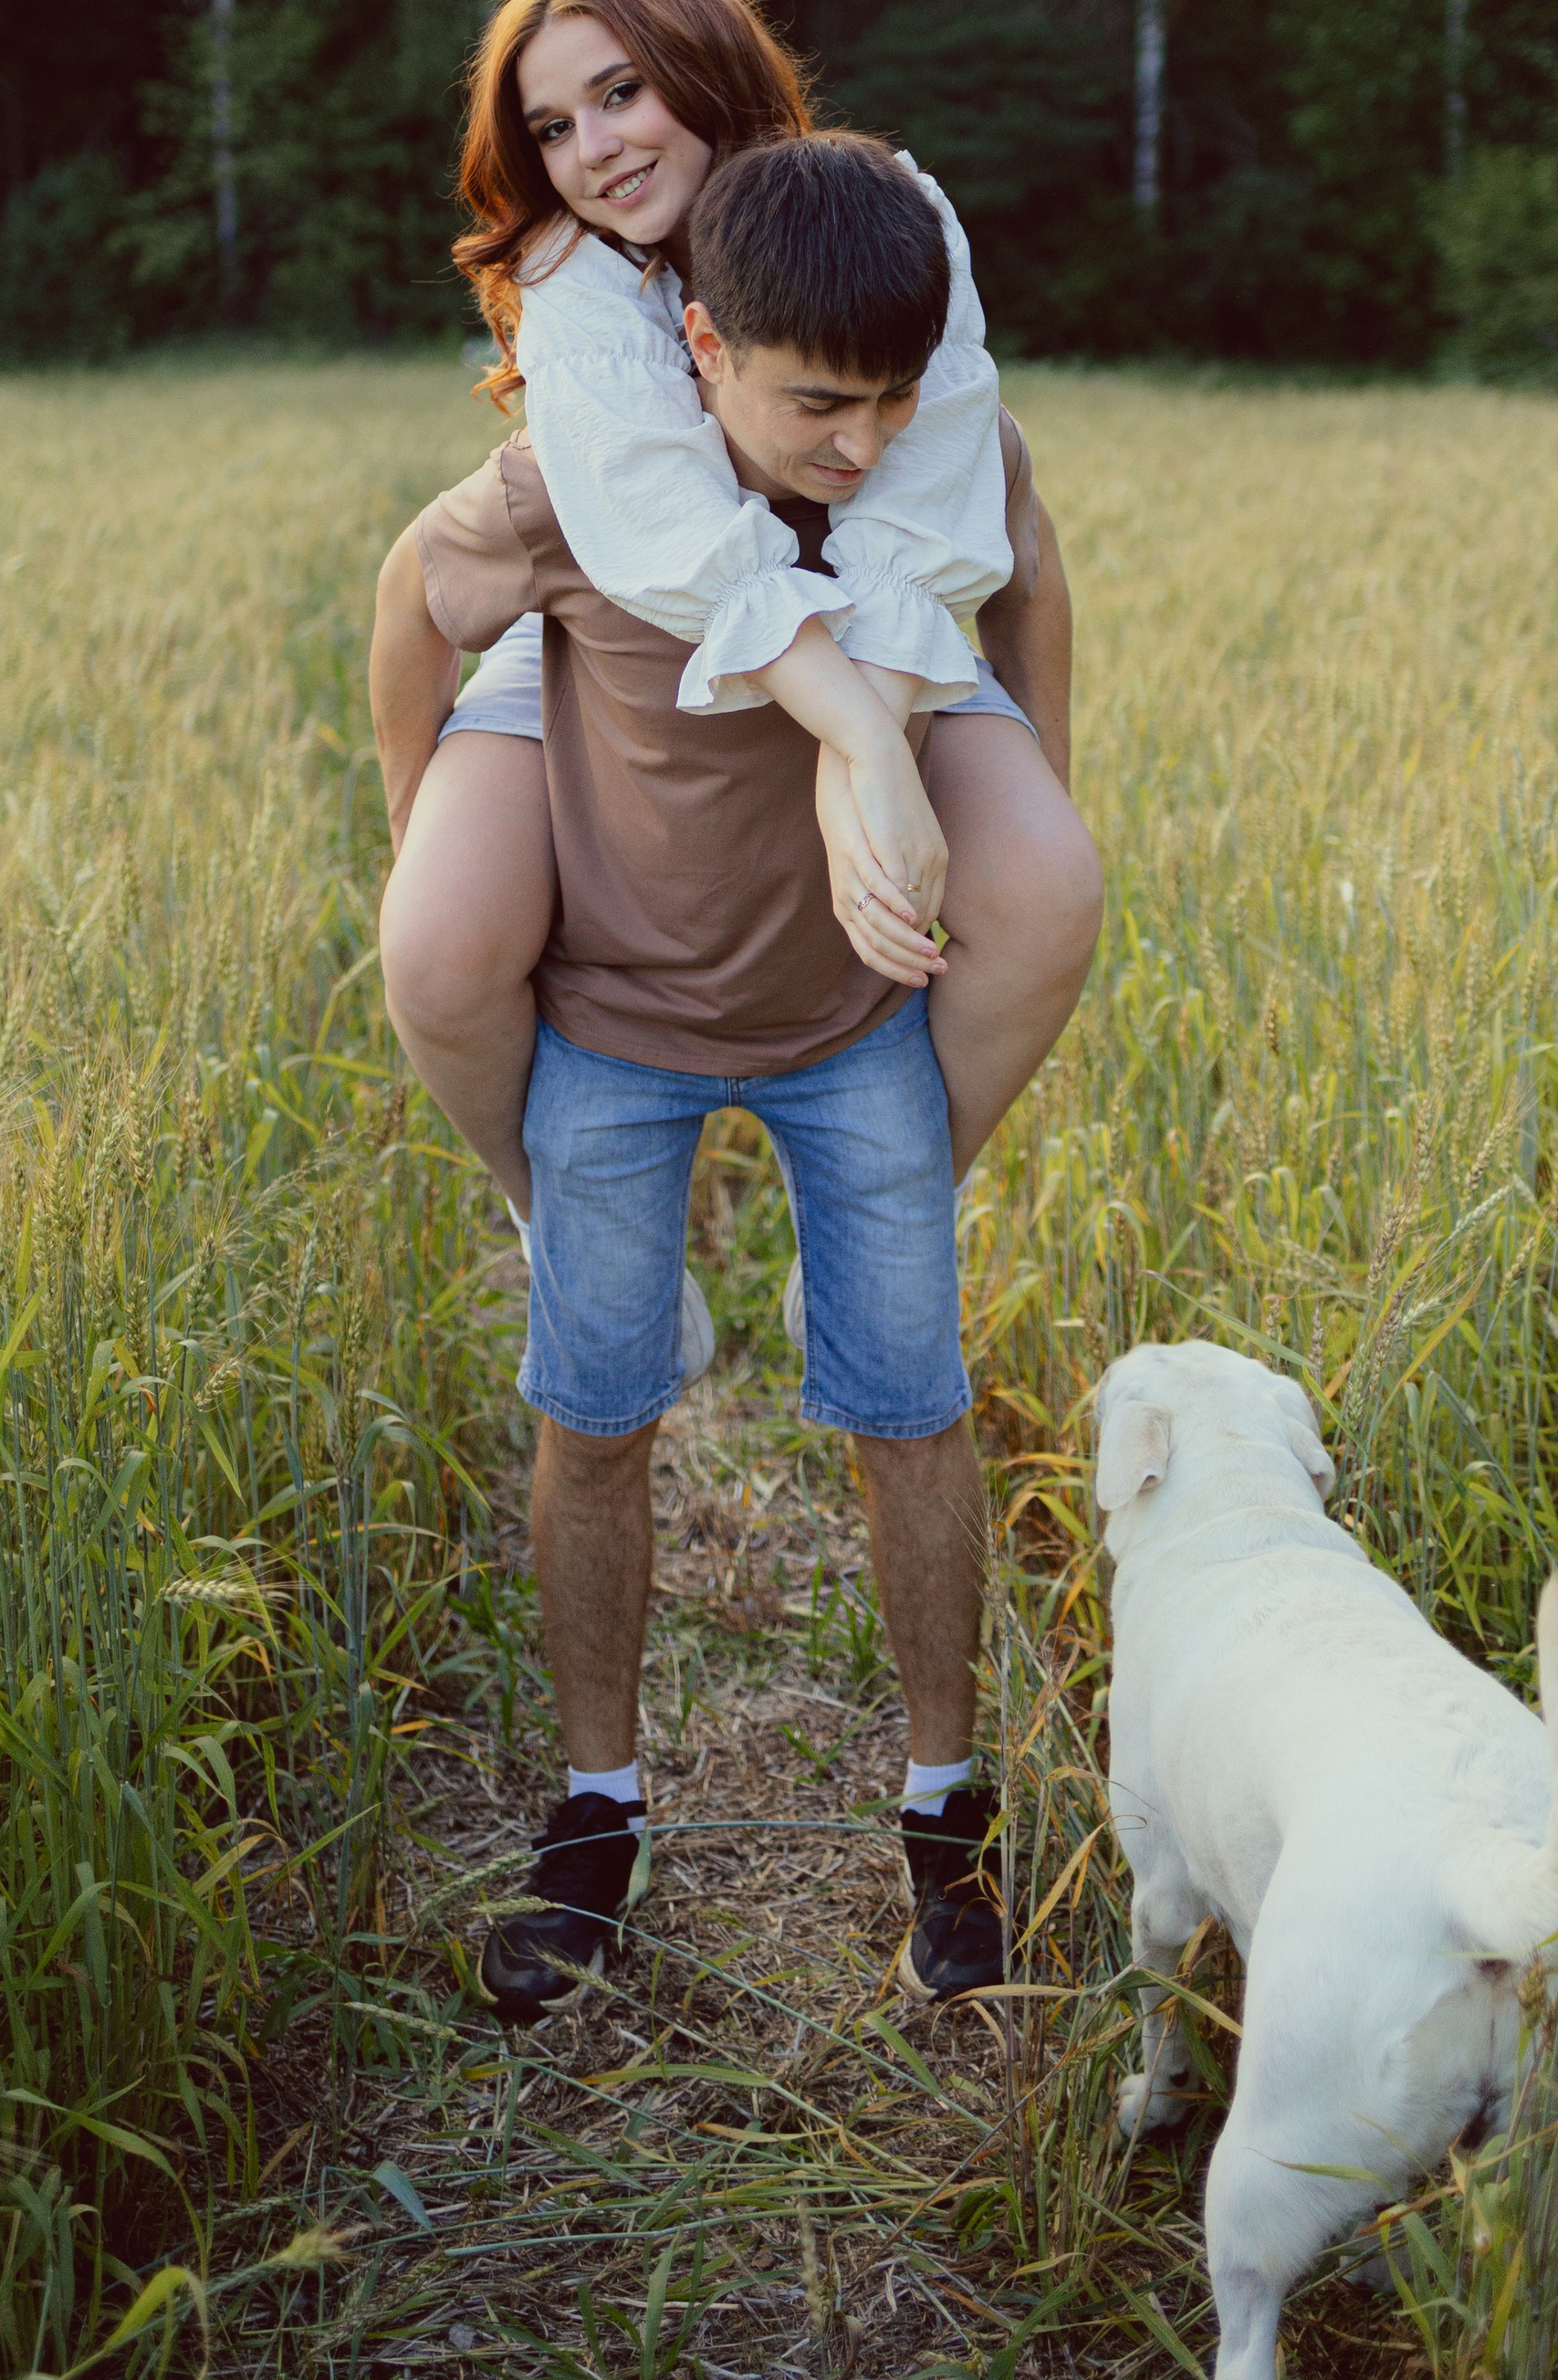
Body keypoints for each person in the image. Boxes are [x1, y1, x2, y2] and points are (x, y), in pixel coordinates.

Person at [368, 132, 1096, 2018]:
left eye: (889, 406)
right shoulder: (578, 492)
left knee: (906, 1407)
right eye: (813, 405)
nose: (857, 447)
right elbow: (409, 599)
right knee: (592, 1422)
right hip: (608, 1030)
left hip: (853, 1031)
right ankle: (595, 1814)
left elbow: (1029, 576)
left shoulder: (926, 477)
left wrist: (1018, 785)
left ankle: (944, 1813)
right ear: (697, 346)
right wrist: (422, 818)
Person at [377, 0, 1102, 1319]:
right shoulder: (578, 282)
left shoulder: (887, 216)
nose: (591, 147)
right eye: (552, 125)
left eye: (621, 92)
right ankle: (547, 1212)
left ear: (707, 69)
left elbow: (961, 510)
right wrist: (416, 826)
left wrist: (972, 767)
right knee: (438, 940)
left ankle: (894, 1208)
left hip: (889, 609)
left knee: (1047, 883)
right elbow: (670, 550)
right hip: (622, 621)